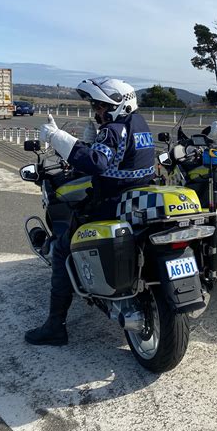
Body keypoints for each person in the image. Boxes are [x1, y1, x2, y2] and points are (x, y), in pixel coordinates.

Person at [25, 77, 155, 346]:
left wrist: (56, 137)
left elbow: (97, 162)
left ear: (118, 105)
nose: (97, 112)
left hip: (111, 200)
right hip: (138, 196)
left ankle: (54, 326)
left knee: (62, 248)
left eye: (100, 106)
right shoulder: (140, 124)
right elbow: (118, 158)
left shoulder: (113, 129)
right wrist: (88, 143)